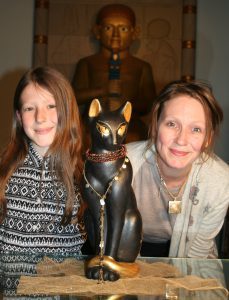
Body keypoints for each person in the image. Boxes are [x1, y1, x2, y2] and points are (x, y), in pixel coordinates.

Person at [126, 80, 229, 258]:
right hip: (127, 252)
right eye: (172, 124)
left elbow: (197, 255)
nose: (181, 140)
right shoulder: (123, 164)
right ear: (156, 126)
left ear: (207, 138)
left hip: (191, 256)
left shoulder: (220, 182)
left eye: (196, 129)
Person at [0, 66, 86, 254]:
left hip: (64, 282)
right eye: (30, 108)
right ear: (19, 117)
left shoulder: (86, 176)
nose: (40, 117)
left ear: (67, 110)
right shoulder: (3, 171)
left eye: (51, 106)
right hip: (9, 281)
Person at [72, 3, 156, 142]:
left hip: (129, 125)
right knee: (85, 138)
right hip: (93, 125)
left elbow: (150, 104)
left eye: (123, 28)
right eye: (108, 28)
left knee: (134, 138)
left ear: (134, 33)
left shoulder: (141, 67)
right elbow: (73, 97)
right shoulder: (87, 63)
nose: (116, 35)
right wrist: (102, 90)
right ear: (97, 32)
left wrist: (125, 103)